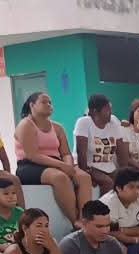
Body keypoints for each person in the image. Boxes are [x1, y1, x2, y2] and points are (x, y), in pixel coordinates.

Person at [14, 92, 93, 224]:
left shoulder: (57, 127)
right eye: (44, 102)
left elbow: (66, 153)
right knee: (59, 177)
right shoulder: (25, 125)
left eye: (50, 102)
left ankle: (85, 219)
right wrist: (62, 166)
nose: (49, 105)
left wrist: (68, 166)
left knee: (84, 177)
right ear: (32, 105)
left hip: (56, 163)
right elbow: (32, 155)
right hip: (29, 165)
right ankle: (75, 221)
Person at [60, 200, 130, 254]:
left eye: (108, 225)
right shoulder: (70, 243)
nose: (105, 231)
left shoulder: (112, 242)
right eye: (99, 226)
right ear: (84, 223)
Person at [74, 93, 127, 195]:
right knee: (108, 183)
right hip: (88, 166)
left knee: (126, 182)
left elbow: (121, 152)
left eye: (110, 109)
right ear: (95, 111)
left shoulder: (113, 122)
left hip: (109, 167)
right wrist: (87, 175)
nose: (110, 112)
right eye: (107, 110)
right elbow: (81, 153)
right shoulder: (84, 122)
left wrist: (124, 173)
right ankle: (102, 206)